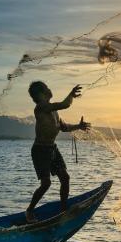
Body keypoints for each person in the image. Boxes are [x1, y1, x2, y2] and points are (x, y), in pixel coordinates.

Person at [25, 81, 91, 223]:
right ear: (40, 94)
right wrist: (71, 95)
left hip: (52, 148)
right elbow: (65, 104)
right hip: (40, 150)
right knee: (46, 183)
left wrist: (78, 126)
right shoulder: (41, 107)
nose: (50, 89)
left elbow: (64, 127)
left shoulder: (53, 111)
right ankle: (29, 211)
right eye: (47, 88)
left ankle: (63, 209)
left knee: (65, 178)